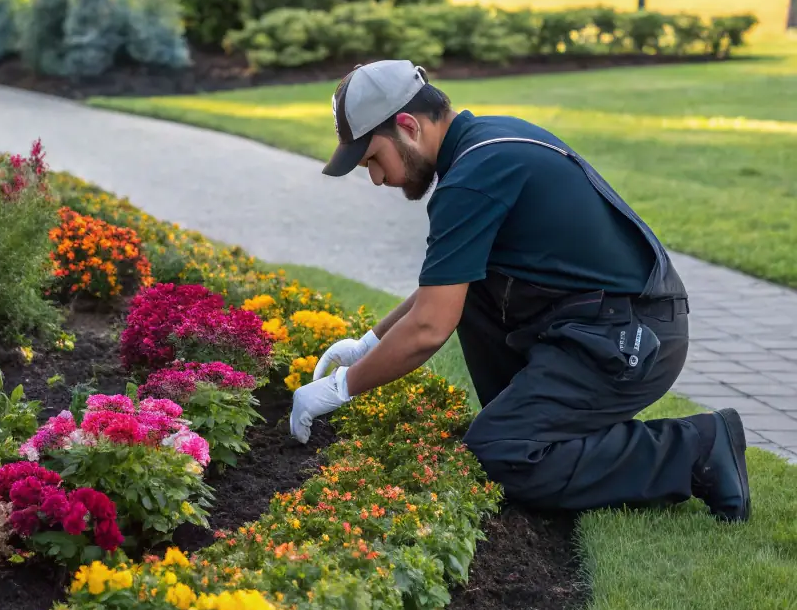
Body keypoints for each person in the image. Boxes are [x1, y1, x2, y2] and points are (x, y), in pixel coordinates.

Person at [289, 59, 750, 521]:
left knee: (501, 455)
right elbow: (445, 288)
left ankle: (699, 448)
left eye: (373, 159)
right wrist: (368, 344)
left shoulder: (474, 177)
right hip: (601, 323)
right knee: (470, 306)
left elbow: (430, 326)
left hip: (631, 338)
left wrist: (342, 388)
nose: (376, 177)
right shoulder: (486, 145)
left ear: (407, 127)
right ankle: (529, 425)